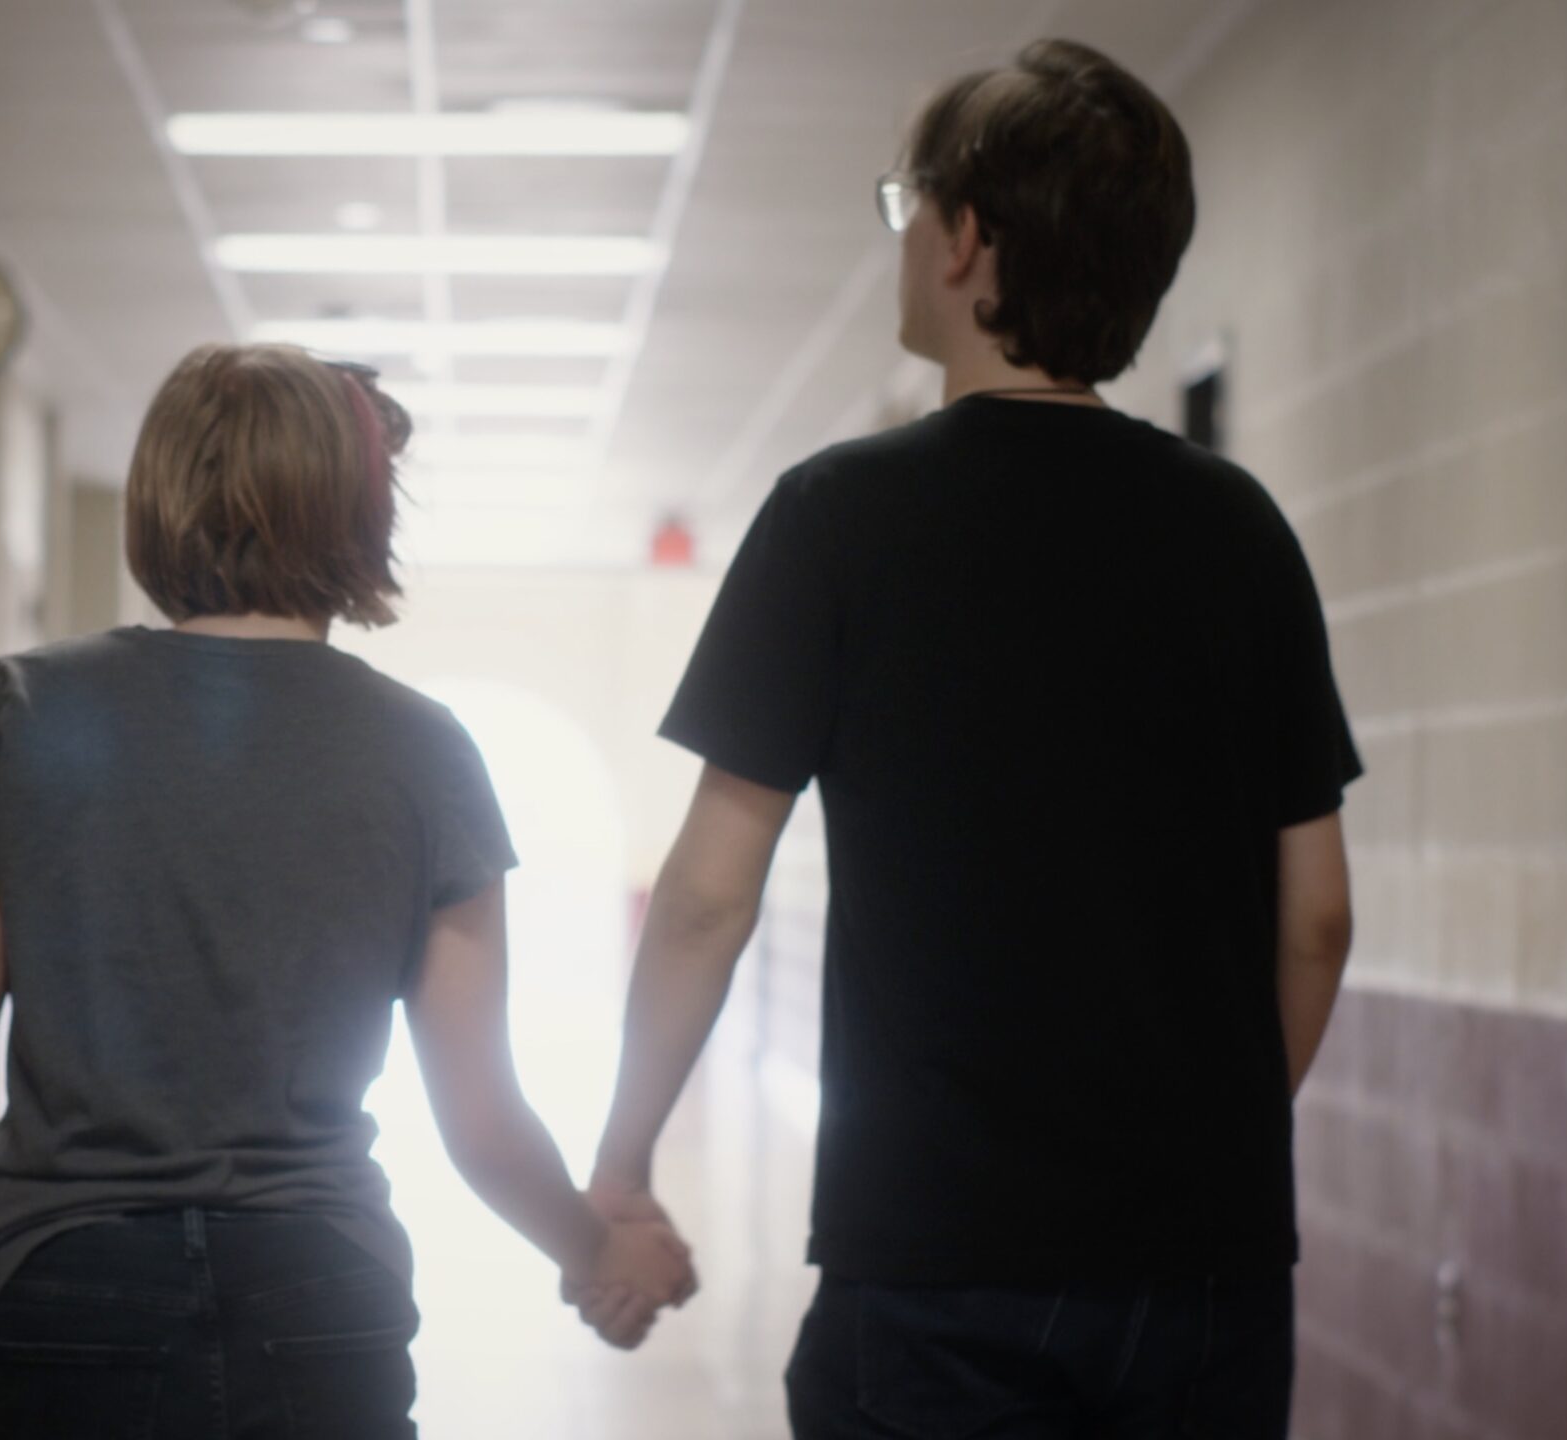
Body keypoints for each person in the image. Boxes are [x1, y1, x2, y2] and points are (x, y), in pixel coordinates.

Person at [577, 38, 1361, 1439]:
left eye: (907, 207)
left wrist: (623, 1158)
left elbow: (705, 896)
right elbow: (1318, 920)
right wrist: (1203, 1148)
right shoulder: (1243, 535)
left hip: (936, 1258)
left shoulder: (839, 518)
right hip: (1206, 1271)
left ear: (966, 239)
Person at [0, 344, 696, 1440]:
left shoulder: (26, 711)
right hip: (315, 1292)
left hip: (63, 1285)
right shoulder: (424, 750)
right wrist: (598, 1253)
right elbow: (477, 1108)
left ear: (158, 495)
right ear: (358, 514)